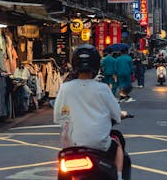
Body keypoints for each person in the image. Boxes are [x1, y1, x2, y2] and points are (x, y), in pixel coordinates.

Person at [53, 44, 126, 180]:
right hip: (99, 144)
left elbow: (58, 116)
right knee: (117, 144)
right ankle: (120, 176)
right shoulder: (103, 88)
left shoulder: (65, 88)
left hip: (73, 145)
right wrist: (122, 114)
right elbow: (117, 114)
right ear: (96, 65)